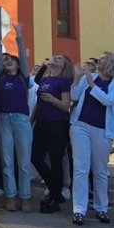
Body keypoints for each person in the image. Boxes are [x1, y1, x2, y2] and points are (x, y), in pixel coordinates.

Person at [69, 52, 114, 226]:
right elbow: (74, 96)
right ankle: (79, 209)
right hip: (80, 125)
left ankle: (102, 207)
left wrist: (91, 83)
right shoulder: (89, 77)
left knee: (99, 170)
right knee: (80, 168)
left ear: (111, 64)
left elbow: (107, 101)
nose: (98, 60)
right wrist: (77, 79)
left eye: (103, 59)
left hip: (102, 130)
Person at [0, 19, 32, 212]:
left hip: (21, 121)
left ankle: (25, 197)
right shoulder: (0, 76)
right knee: (7, 161)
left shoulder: (23, 76)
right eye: (6, 60)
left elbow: (24, 60)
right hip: (3, 120)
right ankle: (10, 196)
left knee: (23, 162)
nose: (8, 62)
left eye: (12, 60)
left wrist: (19, 36)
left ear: (17, 65)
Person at [31, 55, 73, 214]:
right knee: (35, 156)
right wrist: (31, 120)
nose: (55, 59)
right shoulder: (45, 80)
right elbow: (38, 101)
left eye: (59, 59)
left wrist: (53, 100)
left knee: (56, 160)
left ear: (64, 66)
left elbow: (65, 105)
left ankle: (54, 198)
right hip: (41, 123)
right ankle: (55, 190)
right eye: (54, 57)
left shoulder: (63, 82)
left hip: (57, 124)